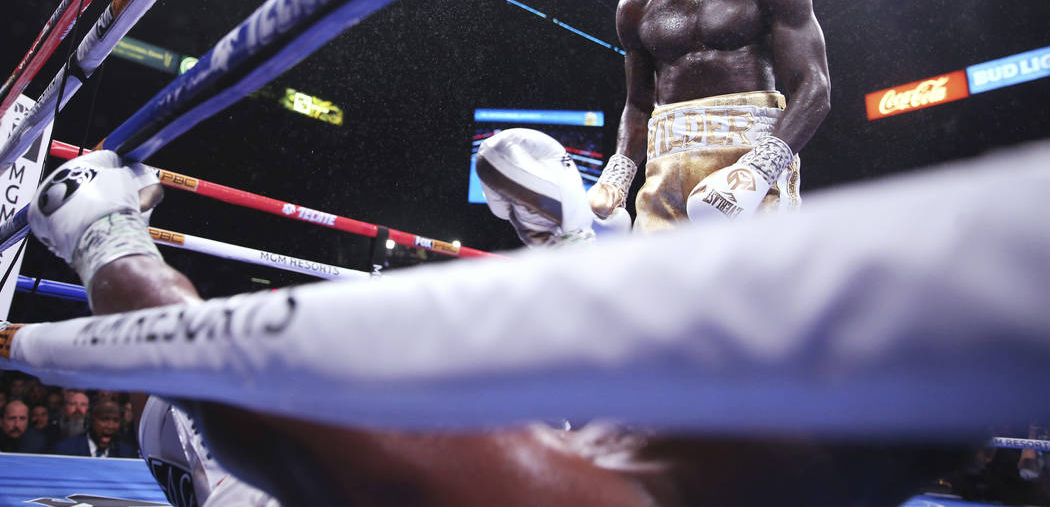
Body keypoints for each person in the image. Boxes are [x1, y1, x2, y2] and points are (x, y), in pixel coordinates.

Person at [14, 148, 989, 506]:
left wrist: (104, 233)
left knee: (205, 432)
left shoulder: (560, 490)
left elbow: (231, 373)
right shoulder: (667, 435)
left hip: (260, 462)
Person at [588, 0, 831, 231]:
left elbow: (814, 88)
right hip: (665, 175)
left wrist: (760, 168)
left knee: (753, 285)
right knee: (658, 287)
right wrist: (617, 175)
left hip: (749, 161)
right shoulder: (637, 4)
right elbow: (638, 105)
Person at [51, 398, 138, 458]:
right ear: (91, 420)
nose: (111, 426)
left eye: (115, 420)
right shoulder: (65, 449)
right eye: (105, 420)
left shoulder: (127, 454)